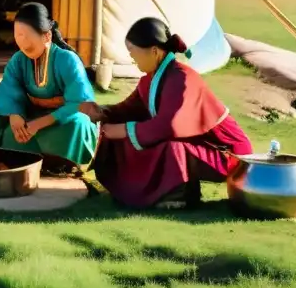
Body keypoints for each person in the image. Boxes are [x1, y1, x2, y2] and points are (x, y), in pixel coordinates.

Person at [80, 16, 254, 209]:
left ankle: (181, 195)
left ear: (154, 51)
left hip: (228, 155)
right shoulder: (150, 80)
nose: (131, 57)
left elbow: (169, 126)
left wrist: (123, 130)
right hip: (195, 147)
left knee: (169, 148)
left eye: (132, 51)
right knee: (123, 137)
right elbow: (128, 110)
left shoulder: (183, 78)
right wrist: (102, 112)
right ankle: (140, 190)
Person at [0, 3, 99, 174]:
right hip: (32, 116)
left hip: (63, 118)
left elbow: (79, 101)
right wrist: (15, 115)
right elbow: (8, 89)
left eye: (27, 35)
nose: (22, 41)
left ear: (47, 36)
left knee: (77, 124)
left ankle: (61, 164)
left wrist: (41, 123)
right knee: (8, 130)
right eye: (17, 34)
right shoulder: (18, 60)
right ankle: (20, 162)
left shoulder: (67, 60)